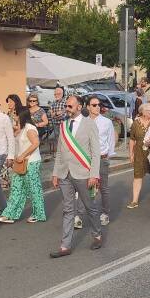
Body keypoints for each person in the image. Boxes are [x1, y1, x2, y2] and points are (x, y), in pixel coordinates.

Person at [50, 95, 103, 257]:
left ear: (79, 107)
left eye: (70, 106)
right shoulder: (64, 126)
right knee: (68, 209)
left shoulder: (90, 124)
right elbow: (59, 152)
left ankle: (97, 235)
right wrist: (55, 173)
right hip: (65, 174)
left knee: (90, 207)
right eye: (66, 106)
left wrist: (94, 174)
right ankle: (65, 246)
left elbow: (96, 152)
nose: (67, 108)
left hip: (83, 174)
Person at [0, 109, 45, 224]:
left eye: (16, 115)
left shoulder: (29, 128)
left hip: (31, 162)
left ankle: (39, 214)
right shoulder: (21, 128)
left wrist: (23, 155)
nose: (14, 117)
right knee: (16, 189)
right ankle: (10, 214)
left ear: (21, 115)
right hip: (20, 163)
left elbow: (36, 143)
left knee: (34, 189)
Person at [79, 96, 115, 225]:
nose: (98, 107)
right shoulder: (83, 122)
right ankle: (80, 215)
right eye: (94, 105)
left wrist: (107, 156)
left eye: (99, 104)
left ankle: (105, 213)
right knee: (84, 187)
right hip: (86, 160)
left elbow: (111, 141)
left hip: (101, 159)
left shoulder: (106, 122)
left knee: (103, 188)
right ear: (88, 107)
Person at [126, 100, 150, 209]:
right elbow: (132, 139)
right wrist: (131, 154)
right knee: (137, 175)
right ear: (143, 112)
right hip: (139, 152)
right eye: (149, 110)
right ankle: (135, 200)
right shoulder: (136, 123)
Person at [26, 94, 51, 162]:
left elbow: (46, 122)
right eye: (30, 101)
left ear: (37, 102)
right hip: (27, 131)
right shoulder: (27, 110)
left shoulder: (41, 110)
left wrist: (37, 124)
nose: (32, 102)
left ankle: (34, 161)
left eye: (34, 101)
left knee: (35, 147)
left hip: (38, 131)